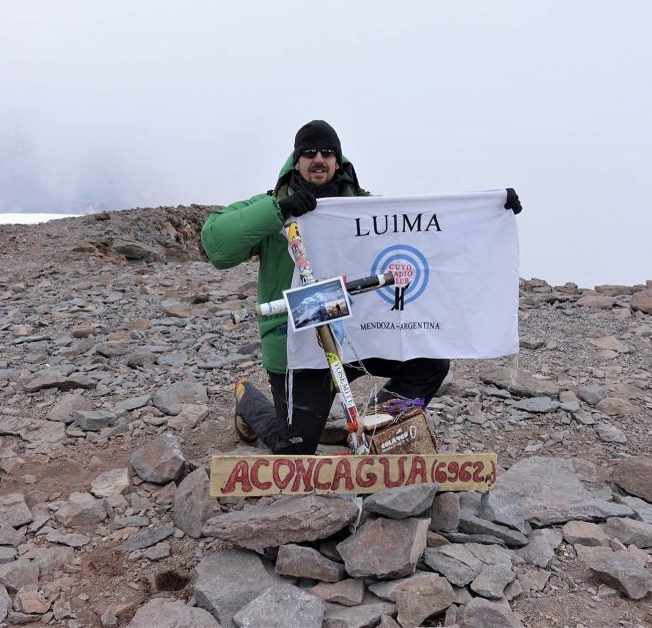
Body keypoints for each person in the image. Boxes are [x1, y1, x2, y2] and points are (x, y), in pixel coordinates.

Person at [200, 120, 521, 455]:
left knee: (429, 366)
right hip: (300, 345)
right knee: (293, 449)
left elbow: (428, 230)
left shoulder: (363, 211)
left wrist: (492, 213)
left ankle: (374, 431)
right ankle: (247, 399)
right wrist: (278, 212)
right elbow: (216, 245)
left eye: (328, 152)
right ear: (296, 161)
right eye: (309, 153)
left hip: (358, 334)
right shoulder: (273, 207)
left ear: (339, 161)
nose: (319, 158)